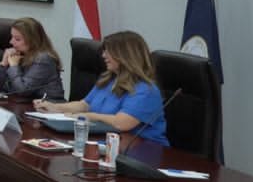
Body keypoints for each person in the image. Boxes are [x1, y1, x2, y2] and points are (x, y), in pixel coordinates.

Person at [37, 31, 168, 145]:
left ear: (126, 55)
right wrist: (55, 108)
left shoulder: (146, 90)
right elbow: (85, 104)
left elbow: (121, 123)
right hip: (106, 141)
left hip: (142, 150)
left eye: (108, 51)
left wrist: (89, 116)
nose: (104, 55)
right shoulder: (109, 79)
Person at [0, 17, 65, 100]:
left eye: (17, 39)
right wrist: (4, 63)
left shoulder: (43, 59)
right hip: (26, 104)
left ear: (33, 40)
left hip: (50, 105)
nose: (11, 42)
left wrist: (14, 66)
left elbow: (23, 91)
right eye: (12, 37)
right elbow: (0, 87)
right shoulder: (20, 54)